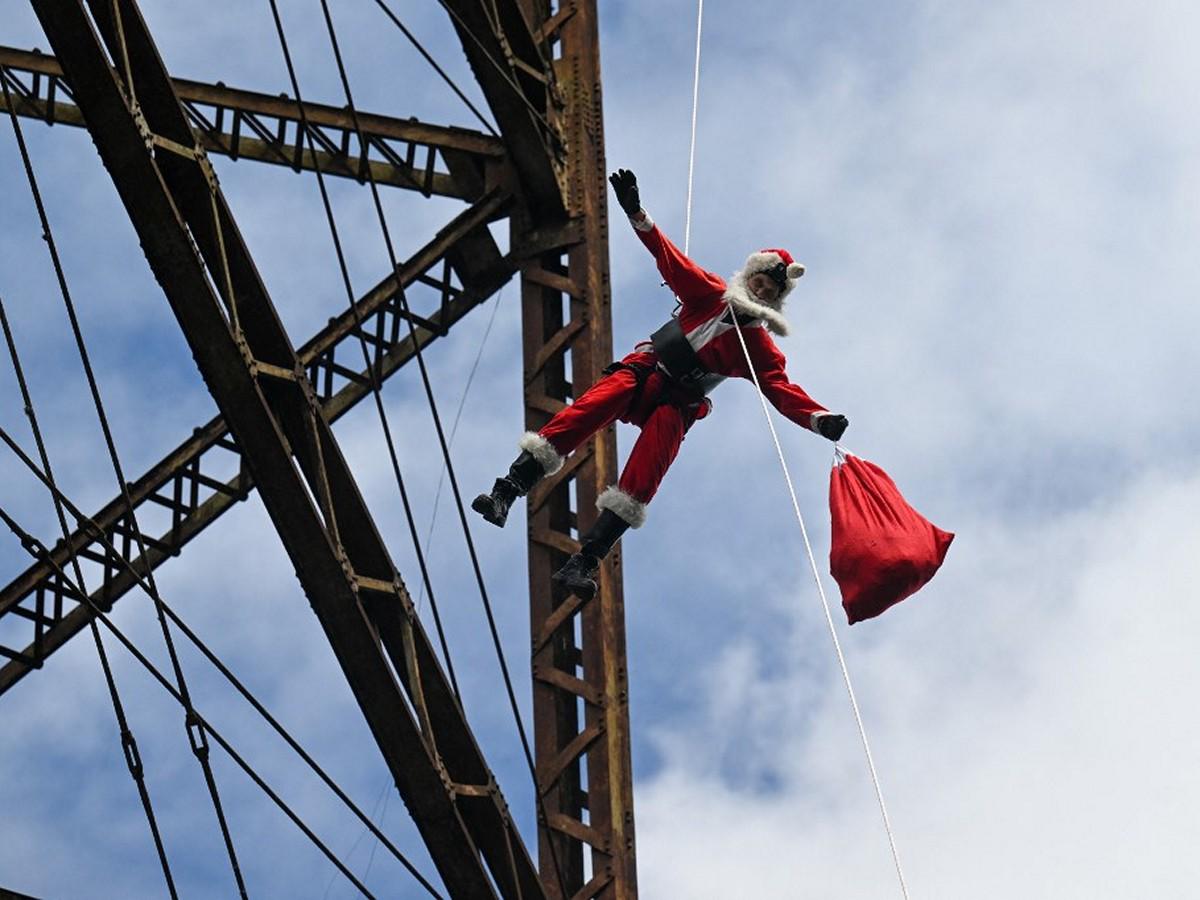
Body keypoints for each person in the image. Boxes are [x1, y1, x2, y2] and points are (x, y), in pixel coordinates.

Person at [472, 168, 848, 599]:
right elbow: (668, 257)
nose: (760, 293)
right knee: (588, 409)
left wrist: (820, 419)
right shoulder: (707, 293)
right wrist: (636, 212)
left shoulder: (758, 348)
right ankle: (507, 489)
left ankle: (585, 561)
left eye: (767, 291)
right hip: (646, 373)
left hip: (679, 402)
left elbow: (782, 391)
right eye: (758, 283)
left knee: (646, 474)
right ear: (747, 279)